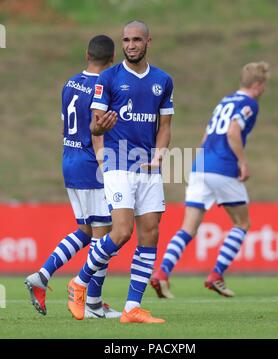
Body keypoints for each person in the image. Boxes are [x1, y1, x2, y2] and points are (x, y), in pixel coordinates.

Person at [66, 20, 174, 323]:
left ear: (148, 41)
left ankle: (131, 308)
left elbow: (165, 127)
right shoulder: (109, 78)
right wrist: (99, 130)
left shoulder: (163, 80)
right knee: (123, 231)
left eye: (137, 39)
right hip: (117, 163)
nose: (131, 45)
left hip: (148, 166)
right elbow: (95, 123)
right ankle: (79, 282)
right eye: (126, 40)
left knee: (150, 234)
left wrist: (160, 155)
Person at [151, 62, 270, 299]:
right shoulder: (249, 104)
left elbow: (207, 134)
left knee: (188, 228)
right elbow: (232, 132)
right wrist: (242, 162)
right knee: (242, 223)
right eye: (264, 85)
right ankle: (216, 274)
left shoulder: (225, 101)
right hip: (223, 167)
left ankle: (162, 273)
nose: (264, 89)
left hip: (200, 166)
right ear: (257, 85)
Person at [24, 35, 121, 319]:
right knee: (106, 237)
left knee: (86, 231)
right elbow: (96, 129)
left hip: (69, 160)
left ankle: (42, 276)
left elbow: (66, 125)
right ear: (112, 60)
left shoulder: (70, 84)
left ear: (86, 54)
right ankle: (92, 303)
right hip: (91, 164)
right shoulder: (103, 87)